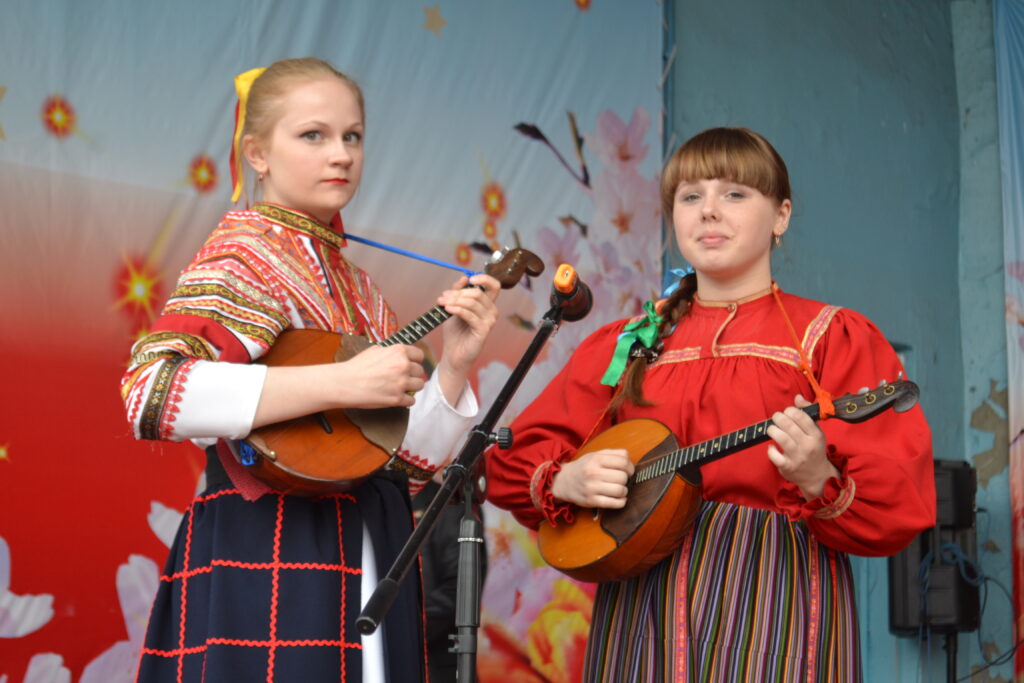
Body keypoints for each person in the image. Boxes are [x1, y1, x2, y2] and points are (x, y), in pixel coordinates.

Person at [485, 127, 936, 682]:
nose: (709, 211)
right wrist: (565, 480)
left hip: (777, 597)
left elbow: (899, 499)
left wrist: (819, 477)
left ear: (781, 216)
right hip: (640, 603)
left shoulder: (830, 337)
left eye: (735, 194)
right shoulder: (629, 344)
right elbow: (515, 457)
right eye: (691, 196)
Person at [120, 57, 500, 682]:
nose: (341, 154)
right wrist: (339, 382)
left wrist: (454, 366)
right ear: (256, 154)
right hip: (271, 543)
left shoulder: (360, 287)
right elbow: (151, 392)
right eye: (313, 135)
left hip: (371, 544)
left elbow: (404, 464)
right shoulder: (244, 253)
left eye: (353, 136)